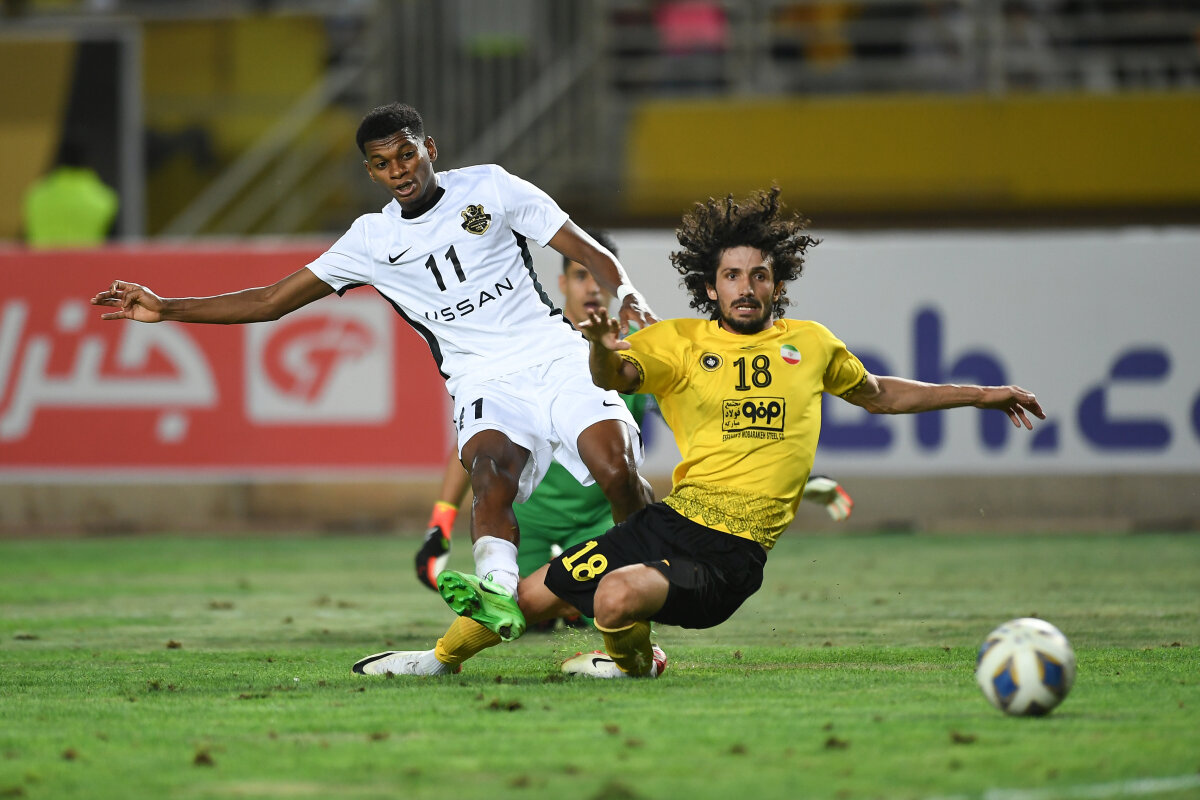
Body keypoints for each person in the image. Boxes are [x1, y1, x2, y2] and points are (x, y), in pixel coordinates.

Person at [351, 186, 1043, 679]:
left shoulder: (812, 345)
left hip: (730, 556)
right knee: (527, 599)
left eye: (759, 276)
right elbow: (618, 375)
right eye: (732, 276)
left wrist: (982, 394)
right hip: (670, 524)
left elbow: (881, 394)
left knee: (616, 594)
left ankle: (633, 662)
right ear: (710, 287)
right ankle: (438, 661)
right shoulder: (678, 343)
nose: (746, 286)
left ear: (776, 285)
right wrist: (598, 347)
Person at [90, 103, 658, 644]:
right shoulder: (370, 240)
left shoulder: (490, 186)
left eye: (407, 155)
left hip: (554, 355)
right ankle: (498, 594)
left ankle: (648, 577)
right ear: (370, 171)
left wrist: (627, 292)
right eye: (383, 164)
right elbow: (270, 301)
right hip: (483, 381)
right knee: (489, 476)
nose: (399, 171)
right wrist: (167, 308)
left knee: (615, 469)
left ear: (429, 148)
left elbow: (585, 249)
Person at [412, 232, 855, 633]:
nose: (591, 288)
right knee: (515, 616)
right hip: (533, 518)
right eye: (580, 276)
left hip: (601, 517)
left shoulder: (643, 346)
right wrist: (441, 519)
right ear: (562, 283)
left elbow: (718, 422)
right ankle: (475, 637)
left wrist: (796, 480)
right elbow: (477, 445)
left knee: (609, 607)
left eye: (597, 277)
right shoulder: (533, 348)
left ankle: (615, 618)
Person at [22, 140, 119, 249]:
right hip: (86, 259)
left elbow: (26, 238)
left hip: (42, 260)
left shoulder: (35, 195)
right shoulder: (105, 199)